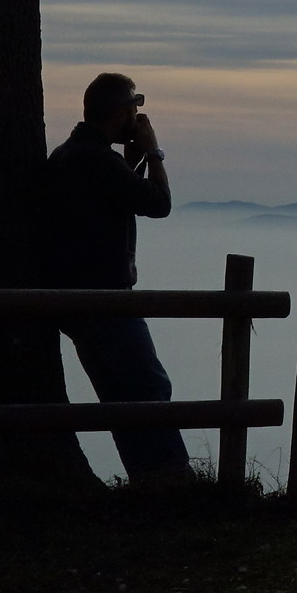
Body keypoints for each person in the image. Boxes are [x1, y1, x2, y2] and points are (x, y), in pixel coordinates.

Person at [41, 71, 192, 484]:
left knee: (120, 392)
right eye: (135, 111)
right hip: (104, 299)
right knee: (147, 388)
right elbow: (159, 204)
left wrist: (131, 161)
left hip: (77, 299)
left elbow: (116, 196)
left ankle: (150, 478)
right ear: (122, 112)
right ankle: (169, 482)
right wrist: (154, 152)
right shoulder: (96, 160)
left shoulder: (71, 154)